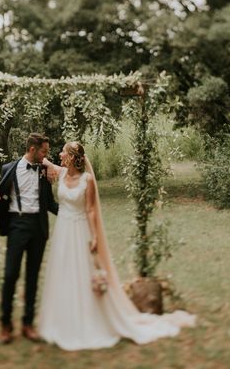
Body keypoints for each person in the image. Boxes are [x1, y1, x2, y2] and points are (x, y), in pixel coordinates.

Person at [35, 141, 196, 350]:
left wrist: (94, 237)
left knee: (84, 273)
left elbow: (91, 210)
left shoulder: (88, 180)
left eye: (64, 152)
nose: (60, 154)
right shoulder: (61, 173)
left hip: (80, 230)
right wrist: (37, 153)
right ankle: (63, 320)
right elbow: (44, 161)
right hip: (63, 232)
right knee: (63, 272)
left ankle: (90, 321)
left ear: (73, 157)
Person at [0, 132, 59, 344]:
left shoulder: (45, 171)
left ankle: (28, 323)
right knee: (10, 275)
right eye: (44, 151)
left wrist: (73, 214)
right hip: (17, 226)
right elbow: (0, 199)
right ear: (33, 149)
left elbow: (51, 204)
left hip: (38, 227)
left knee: (33, 277)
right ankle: (6, 324)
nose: (47, 155)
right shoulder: (8, 169)